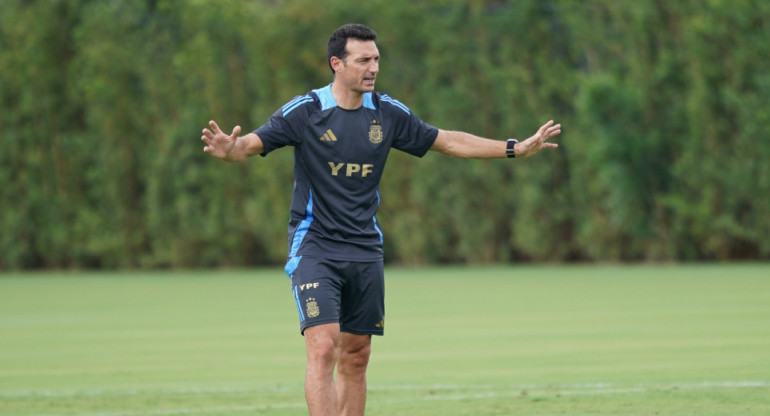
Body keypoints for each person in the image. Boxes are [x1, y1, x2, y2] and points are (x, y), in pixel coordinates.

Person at [201, 23, 561, 416]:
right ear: (337, 63)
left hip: (364, 249)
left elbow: (449, 140)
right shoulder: (306, 111)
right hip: (315, 246)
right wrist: (230, 150)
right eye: (363, 60)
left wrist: (513, 149)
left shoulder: (388, 114)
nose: (373, 67)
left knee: (357, 355)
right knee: (323, 348)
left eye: (376, 59)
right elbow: (250, 145)